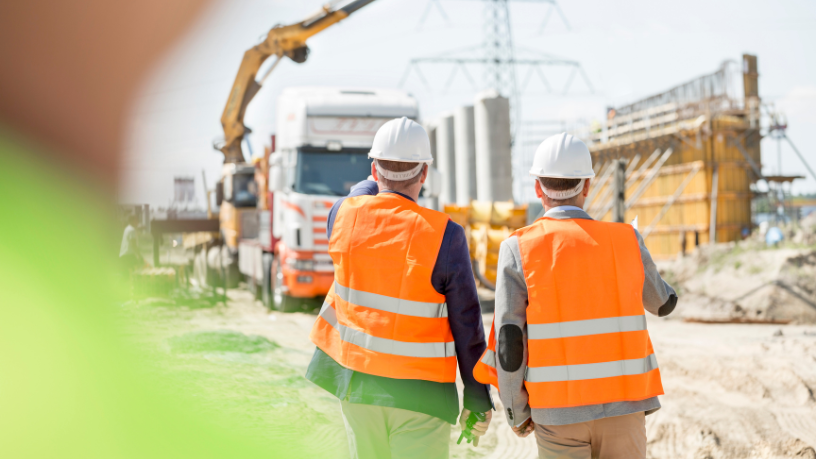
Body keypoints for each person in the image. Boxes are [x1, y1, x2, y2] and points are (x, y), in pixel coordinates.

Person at [474, 133, 678, 459]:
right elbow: (663, 303)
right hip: (624, 408)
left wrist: (516, 409)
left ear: (538, 189)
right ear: (587, 186)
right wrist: (635, 250)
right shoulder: (625, 239)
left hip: (557, 413)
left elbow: (509, 339)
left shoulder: (518, 248)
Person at [306, 117, 493, 459]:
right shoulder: (445, 236)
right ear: (424, 174)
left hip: (357, 387)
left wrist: (374, 177)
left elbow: (356, 195)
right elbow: (467, 323)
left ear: (374, 171)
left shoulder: (343, 216)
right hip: (422, 398)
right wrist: (478, 397)